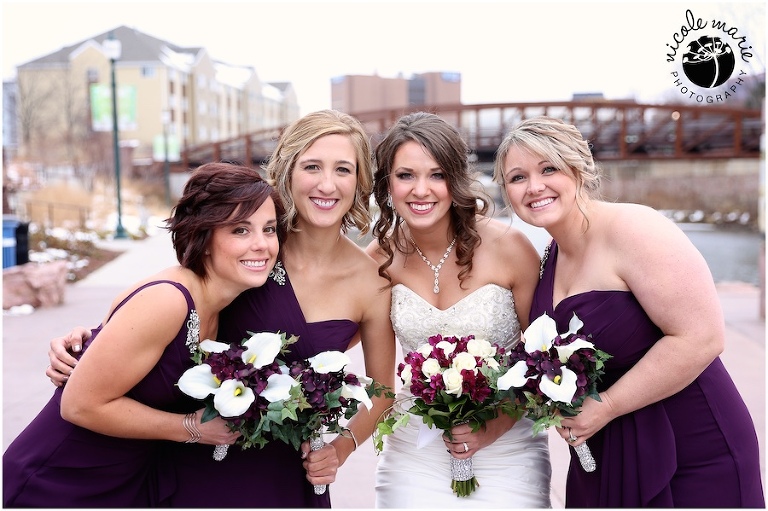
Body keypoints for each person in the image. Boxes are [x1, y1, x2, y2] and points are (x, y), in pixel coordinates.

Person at [45, 110, 397, 508]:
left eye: (343, 169)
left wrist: (339, 449)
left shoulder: (371, 282)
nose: (327, 184)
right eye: (312, 166)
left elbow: (383, 392)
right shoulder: (248, 244)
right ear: (288, 170)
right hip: (196, 455)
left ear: (360, 180)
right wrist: (90, 338)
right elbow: (170, 298)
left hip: (287, 474)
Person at [493, 115, 765, 507]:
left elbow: (702, 337)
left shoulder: (634, 228)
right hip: (604, 446)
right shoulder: (550, 256)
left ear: (579, 169)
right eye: (518, 178)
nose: (534, 187)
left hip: (691, 443)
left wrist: (606, 406)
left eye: (549, 168)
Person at [4, 162, 282, 507]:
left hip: (127, 480)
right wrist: (192, 428)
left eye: (269, 229)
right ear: (205, 236)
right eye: (240, 230)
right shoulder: (169, 299)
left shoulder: (226, 303)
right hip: (60, 480)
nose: (261, 244)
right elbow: (79, 405)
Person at [366, 112, 552, 508]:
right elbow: (374, 379)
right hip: (414, 450)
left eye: (437, 175)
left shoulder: (509, 247)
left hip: (507, 445)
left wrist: (493, 426)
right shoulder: (378, 260)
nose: (421, 190)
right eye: (405, 175)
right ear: (387, 184)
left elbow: (543, 361)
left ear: (456, 179)